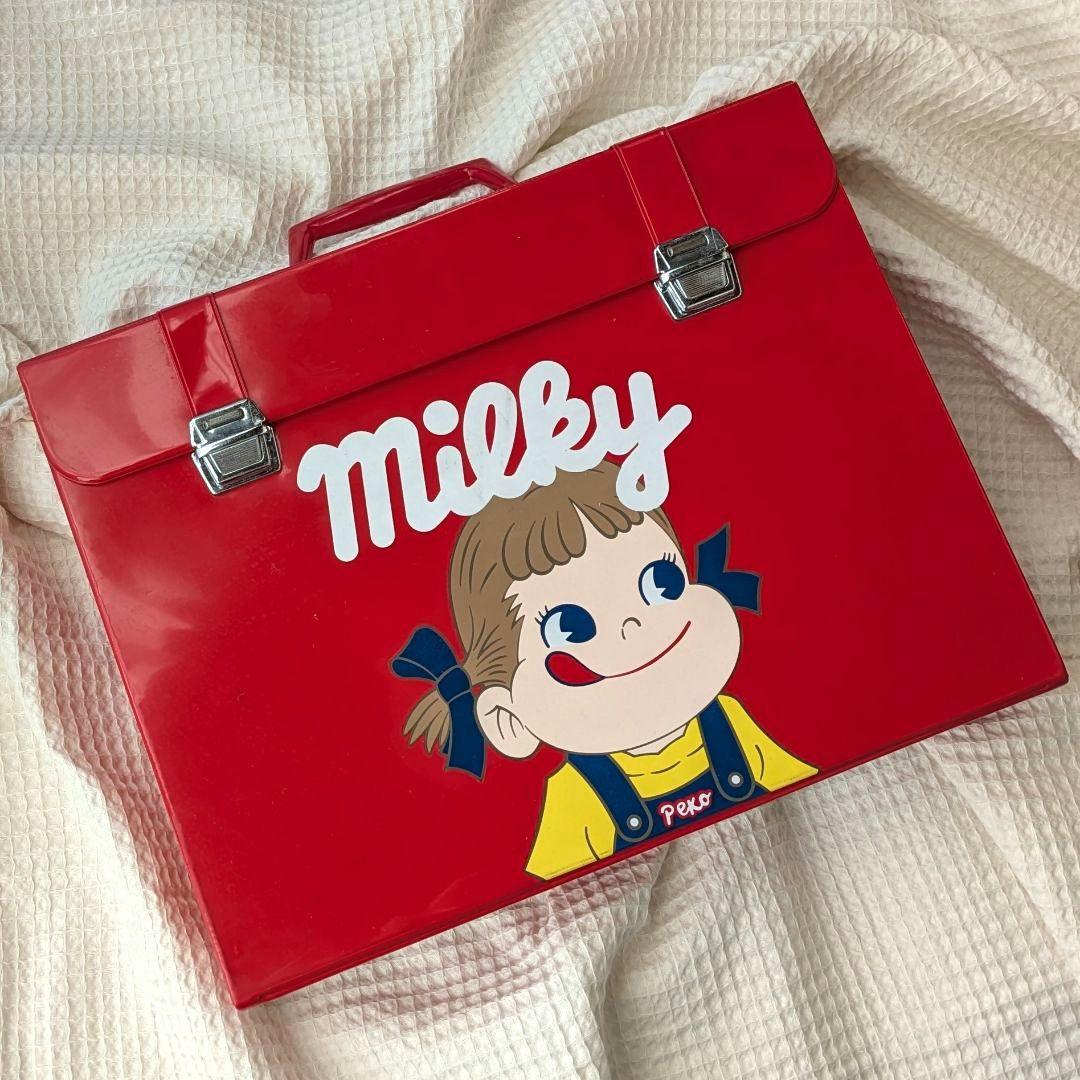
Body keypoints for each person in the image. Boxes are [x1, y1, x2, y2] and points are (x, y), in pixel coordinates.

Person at [393, 460, 816, 881]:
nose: (633, 625)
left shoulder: (731, 723)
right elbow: (554, 888)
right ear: (508, 720)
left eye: (661, 581)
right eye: (569, 628)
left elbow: (805, 780)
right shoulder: (575, 794)